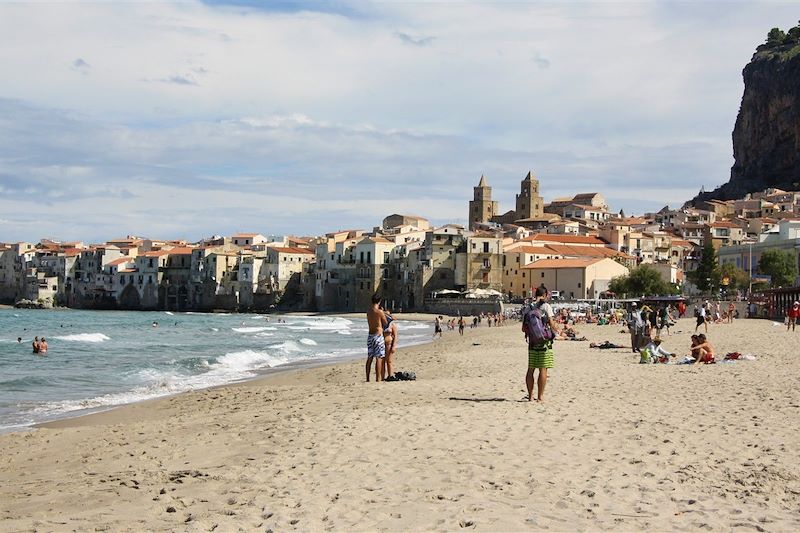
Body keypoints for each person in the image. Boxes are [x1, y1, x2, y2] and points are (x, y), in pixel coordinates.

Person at [523, 286, 558, 403]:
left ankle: (530, 396)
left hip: (532, 342)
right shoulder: (546, 307)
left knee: (531, 369)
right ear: (545, 295)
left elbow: (523, 328)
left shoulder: (528, 307)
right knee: (543, 369)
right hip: (545, 342)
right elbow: (552, 324)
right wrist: (556, 329)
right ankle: (540, 397)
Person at [366, 293, 387, 382]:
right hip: (378, 335)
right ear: (379, 301)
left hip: (370, 335)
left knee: (370, 357)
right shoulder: (379, 311)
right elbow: (385, 322)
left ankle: (367, 378)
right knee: (379, 357)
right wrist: (383, 312)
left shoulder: (369, 311)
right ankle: (377, 378)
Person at [383, 310, 398, 378]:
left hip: (389, 344)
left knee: (389, 361)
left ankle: (390, 375)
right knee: (382, 361)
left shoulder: (392, 325)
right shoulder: (382, 324)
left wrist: (393, 346)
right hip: (381, 344)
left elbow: (395, 336)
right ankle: (382, 376)